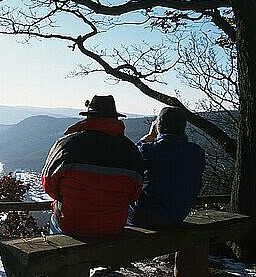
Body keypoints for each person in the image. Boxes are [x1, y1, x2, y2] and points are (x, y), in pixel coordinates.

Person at [41, 95, 144, 237]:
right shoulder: (131, 150)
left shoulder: (66, 145)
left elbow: (48, 185)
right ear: (115, 118)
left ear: (88, 117)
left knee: (54, 222)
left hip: (72, 226)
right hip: (114, 226)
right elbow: (134, 194)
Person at [128, 107, 205, 228]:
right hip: (178, 216)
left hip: (144, 217)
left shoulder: (147, 151)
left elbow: (127, 163)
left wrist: (146, 139)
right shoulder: (197, 152)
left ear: (158, 126)